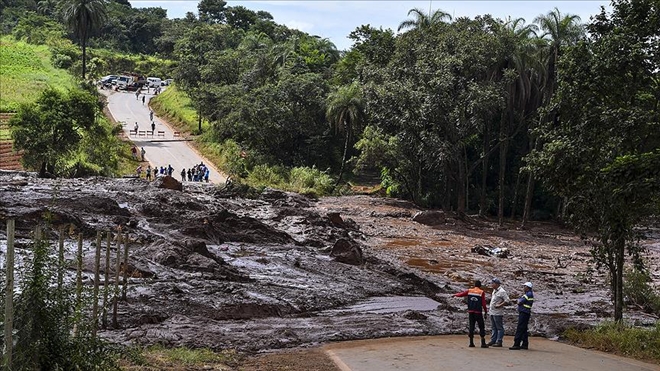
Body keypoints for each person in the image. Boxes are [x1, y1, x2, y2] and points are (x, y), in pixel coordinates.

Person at [454, 280, 489, 348]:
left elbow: (461, 294)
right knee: (481, 326)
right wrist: (485, 311)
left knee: (471, 326)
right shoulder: (481, 292)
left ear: (474, 285)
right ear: (480, 286)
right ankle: (483, 342)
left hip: (471, 312)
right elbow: (484, 303)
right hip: (478, 312)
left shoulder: (469, 291)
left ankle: (471, 342)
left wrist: (455, 294)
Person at [510, 282, 535, 350]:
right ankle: (525, 344)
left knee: (520, 328)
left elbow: (519, 302)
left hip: (524, 313)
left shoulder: (528, 294)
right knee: (524, 329)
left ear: (527, 287)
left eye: (524, 286)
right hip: (526, 312)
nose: (523, 288)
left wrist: (519, 301)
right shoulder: (529, 294)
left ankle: (516, 344)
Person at [488, 278, 510, 347]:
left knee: (499, 327)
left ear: (497, 284)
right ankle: (493, 340)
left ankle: (499, 341)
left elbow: (507, 300)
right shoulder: (494, 290)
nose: (491, 284)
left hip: (498, 312)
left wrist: (500, 305)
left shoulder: (502, 291)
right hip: (492, 312)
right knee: (494, 327)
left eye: (493, 283)